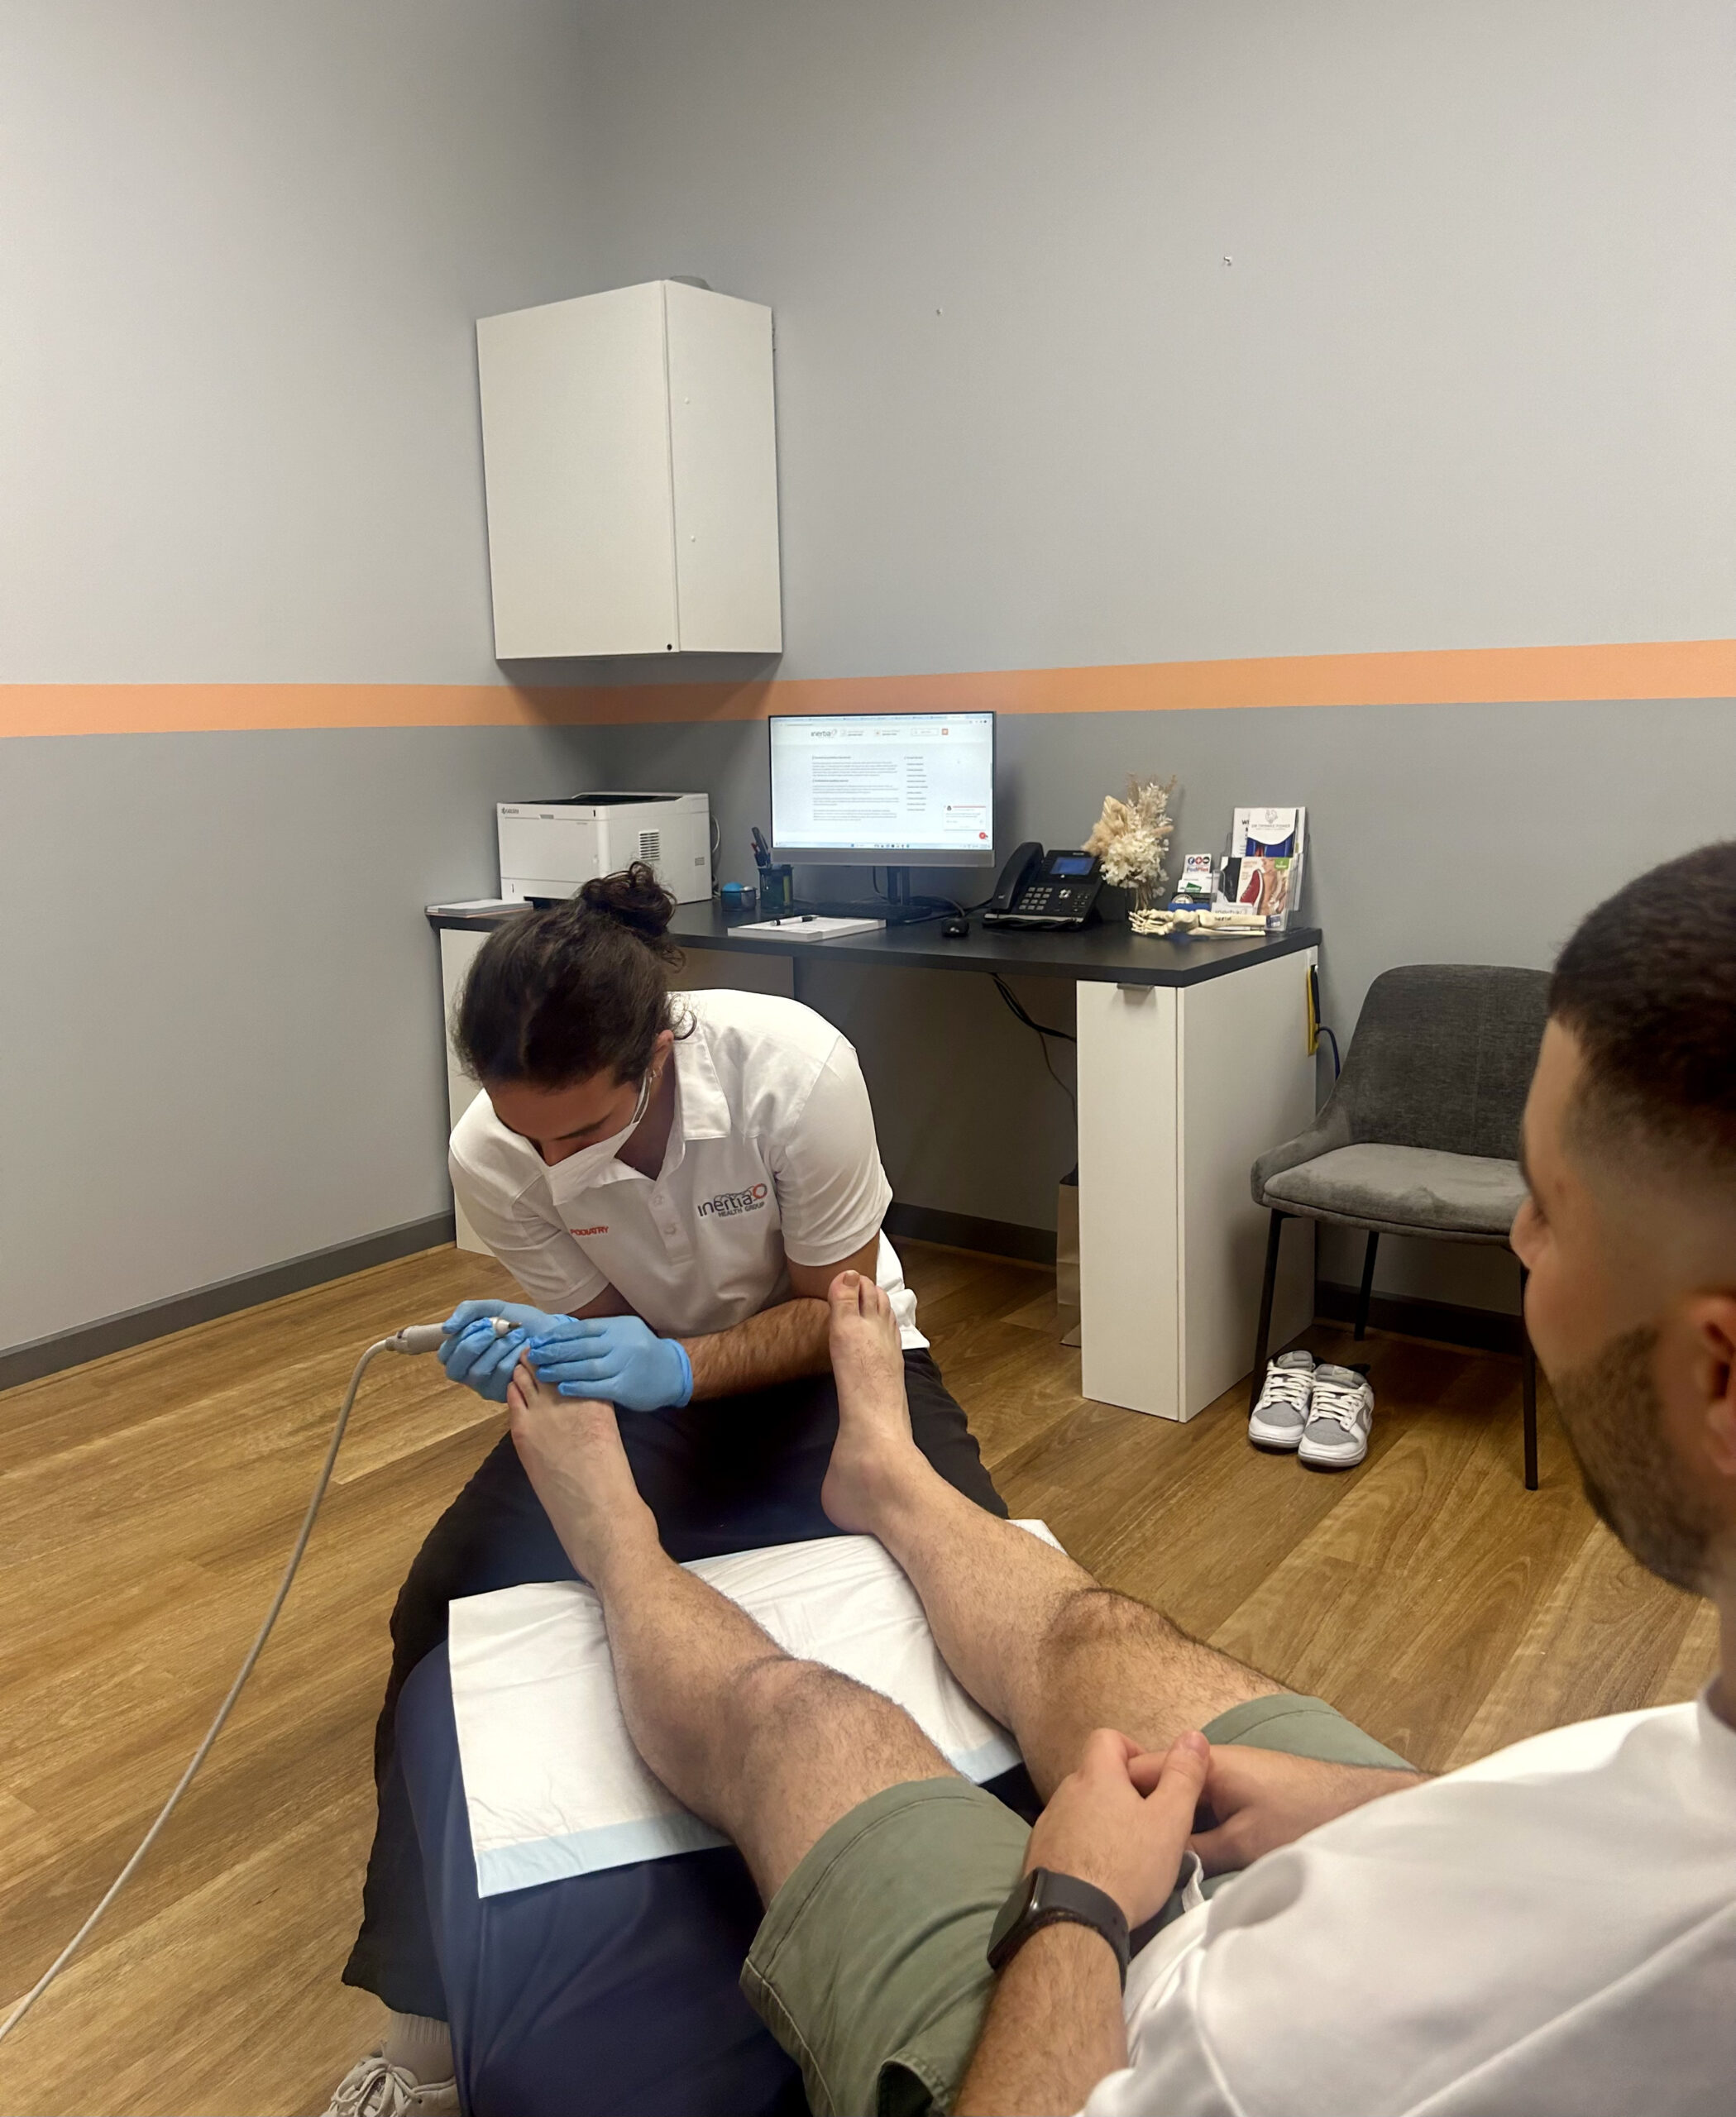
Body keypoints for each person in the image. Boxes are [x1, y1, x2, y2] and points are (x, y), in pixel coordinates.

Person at [495, 840, 1736, 2116]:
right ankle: (896, 1485)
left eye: (1551, 1207)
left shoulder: (791, 1069)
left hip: (1087, 2029)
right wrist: (1389, 1808)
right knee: (1085, 1624)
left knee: (802, 1722)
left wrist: (1075, 1903)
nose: (1519, 1238)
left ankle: (620, 1551)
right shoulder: (1681, 1786)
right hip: (1425, 1832)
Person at [330, 865, 1004, 2115]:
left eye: (581, 1135)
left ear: (658, 1050)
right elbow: (600, 1332)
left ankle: (1001, 1925)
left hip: (823, 1358)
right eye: (528, 1136)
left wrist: (678, 1364)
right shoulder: (497, 1149)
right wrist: (551, 1360)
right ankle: (429, 2020)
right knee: (440, 1606)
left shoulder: (792, 1072)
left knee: (971, 1567)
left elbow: (836, 1310)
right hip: (651, 1381)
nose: (554, 1164)